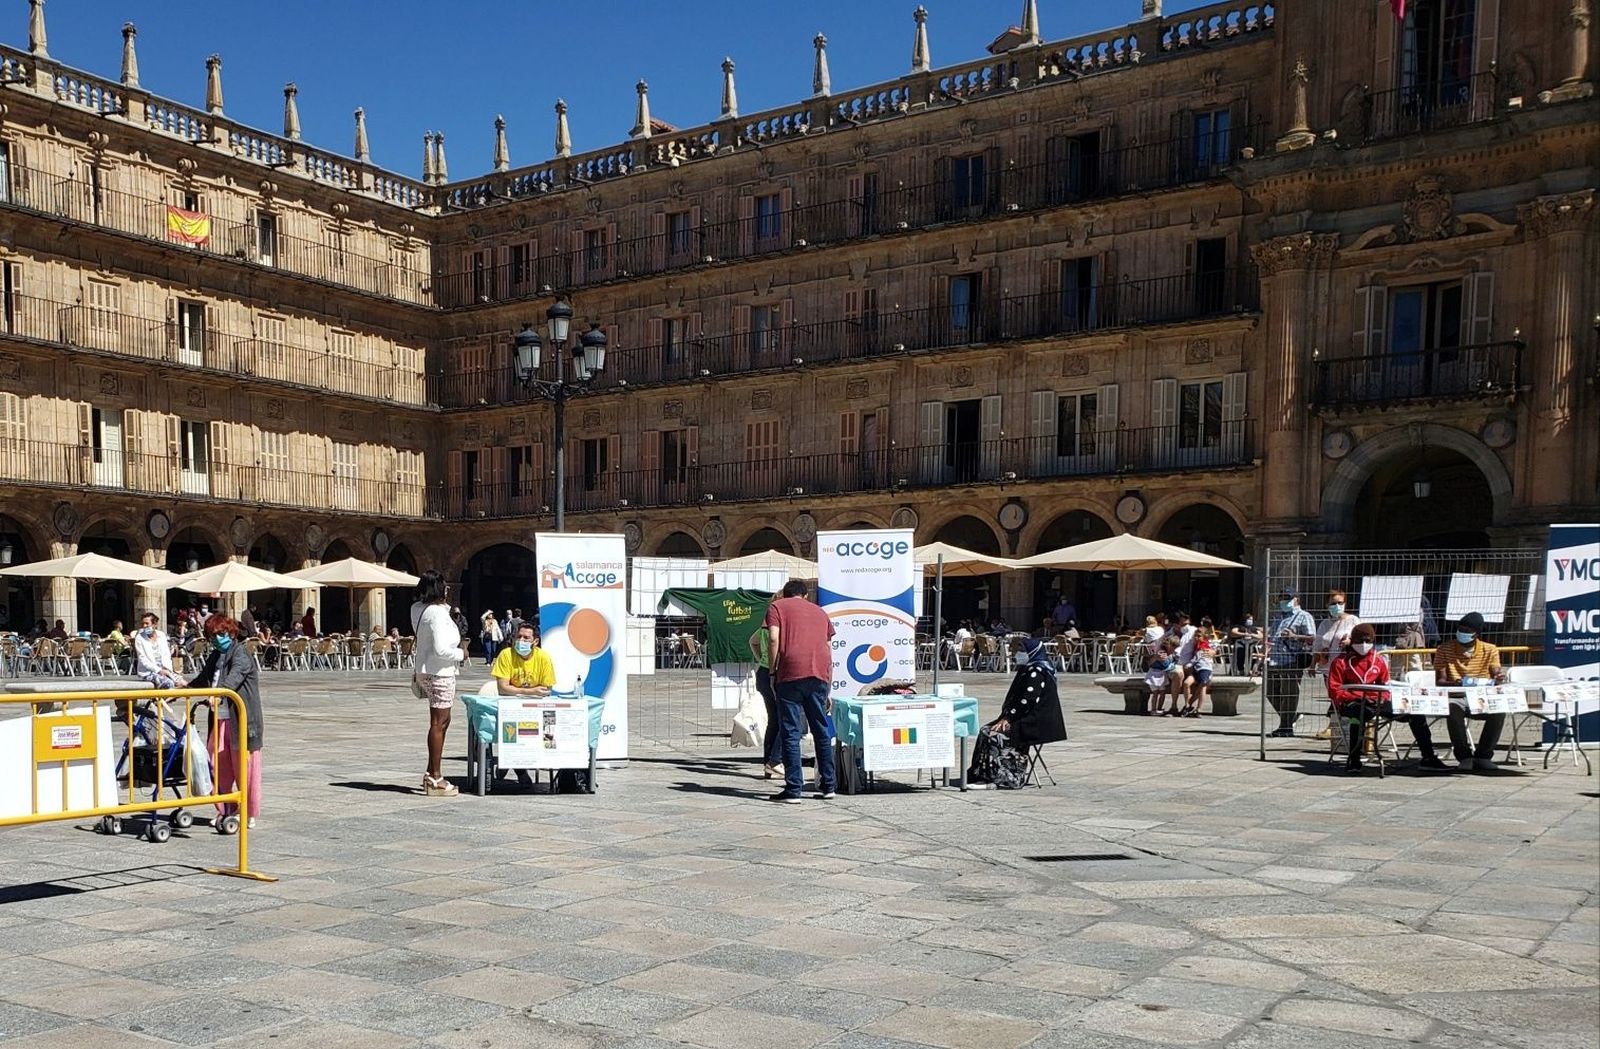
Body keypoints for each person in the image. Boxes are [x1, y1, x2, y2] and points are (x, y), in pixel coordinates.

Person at [762, 580, 837, 803]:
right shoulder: (820, 612)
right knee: (821, 730)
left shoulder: (776, 607)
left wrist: (773, 671)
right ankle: (828, 786)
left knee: (791, 732)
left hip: (790, 674)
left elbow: (774, 638)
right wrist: (828, 685)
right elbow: (828, 649)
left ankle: (794, 789)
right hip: (819, 674)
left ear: (785, 595)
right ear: (805, 595)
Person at [188, 613, 264, 830]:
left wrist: (219, 694)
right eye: (213, 636)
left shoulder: (241, 653)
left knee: (245, 769)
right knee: (218, 767)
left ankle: (246, 811)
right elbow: (203, 679)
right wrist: (182, 688)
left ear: (231, 632)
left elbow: (235, 678)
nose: (217, 639)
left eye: (221, 634)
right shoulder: (216, 656)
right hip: (220, 720)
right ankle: (225, 809)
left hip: (241, 721)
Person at [1409, 611, 1508, 772]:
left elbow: (1496, 671)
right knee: (1453, 708)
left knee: (1500, 711)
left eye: (1468, 631)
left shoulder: (1490, 650)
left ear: (1477, 633)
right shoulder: (1444, 649)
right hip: (1456, 695)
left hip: (1480, 696)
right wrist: (1454, 683)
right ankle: (1464, 756)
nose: (1463, 634)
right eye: (1460, 629)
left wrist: (1498, 676)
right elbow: (1439, 682)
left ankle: (1483, 755)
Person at [969, 635, 1066, 787]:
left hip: (1035, 722)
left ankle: (1006, 777)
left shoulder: (1038, 671)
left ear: (1032, 651)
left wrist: (1008, 718)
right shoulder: (1028, 668)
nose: (1019, 653)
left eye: (1022, 649)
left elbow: (1027, 700)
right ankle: (983, 774)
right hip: (1023, 718)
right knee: (984, 731)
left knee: (994, 735)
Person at [412, 570, 468, 797]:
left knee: (441, 720)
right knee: (439, 722)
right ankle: (435, 777)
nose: (447, 590)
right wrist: (462, 654)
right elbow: (441, 649)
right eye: (444, 586)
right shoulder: (436, 613)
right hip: (440, 672)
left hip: (425, 670)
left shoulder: (417, 608)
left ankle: (430, 771)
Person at [1326, 623, 1390, 773]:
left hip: (1375, 702)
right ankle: (1354, 759)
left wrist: (1382, 698)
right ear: (1352, 641)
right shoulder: (1341, 662)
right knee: (1358, 716)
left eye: (1368, 641)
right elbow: (1334, 691)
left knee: (1414, 714)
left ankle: (1428, 756)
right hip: (1351, 704)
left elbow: (1386, 686)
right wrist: (1356, 696)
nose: (1364, 645)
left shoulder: (1379, 661)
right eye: (1360, 641)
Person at [1265, 586, 1316, 737]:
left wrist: (1294, 636)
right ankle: (1290, 717)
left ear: (1296, 599)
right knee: (1270, 692)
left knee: (1289, 694)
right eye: (1281, 598)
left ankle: (1286, 727)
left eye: (1287, 597)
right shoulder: (1279, 617)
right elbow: (1271, 639)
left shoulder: (1303, 616)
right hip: (1275, 660)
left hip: (1292, 660)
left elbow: (1312, 638)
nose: (1283, 600)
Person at [747, 623, 783, 780]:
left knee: (774, 720)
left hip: (762, 671)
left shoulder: (763, 627)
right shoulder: (779, 628)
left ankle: (769, 764)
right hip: (776, 673)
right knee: (787, 719)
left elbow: (752, 641)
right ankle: (775, 761)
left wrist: (761, 659)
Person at [1178, 617, 1217, 717]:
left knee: (1202, 687)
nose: (1196, 638)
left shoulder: (1205, 646)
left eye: (1198, 636)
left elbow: (1199, 658)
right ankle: (1187, 705)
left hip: (1204, 669)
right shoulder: (1195, 645)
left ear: (1203, 637)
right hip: (1196, 669)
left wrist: (1190, 664)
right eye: (1195, 636)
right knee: (1186, 683)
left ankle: (1199, 709)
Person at [133, 611, 182, 688]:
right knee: (169, 684)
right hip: (149, 672)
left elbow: (166, 654)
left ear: (154, 624)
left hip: (165, 669)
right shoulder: (139, 638)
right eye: (143, 624)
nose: (144, 626)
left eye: (147, 623)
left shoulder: (161, 635)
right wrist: (159, 670)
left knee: (183, 684)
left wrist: (168, 670)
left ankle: (162, 700)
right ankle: (162, 699)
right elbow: (143, 659)